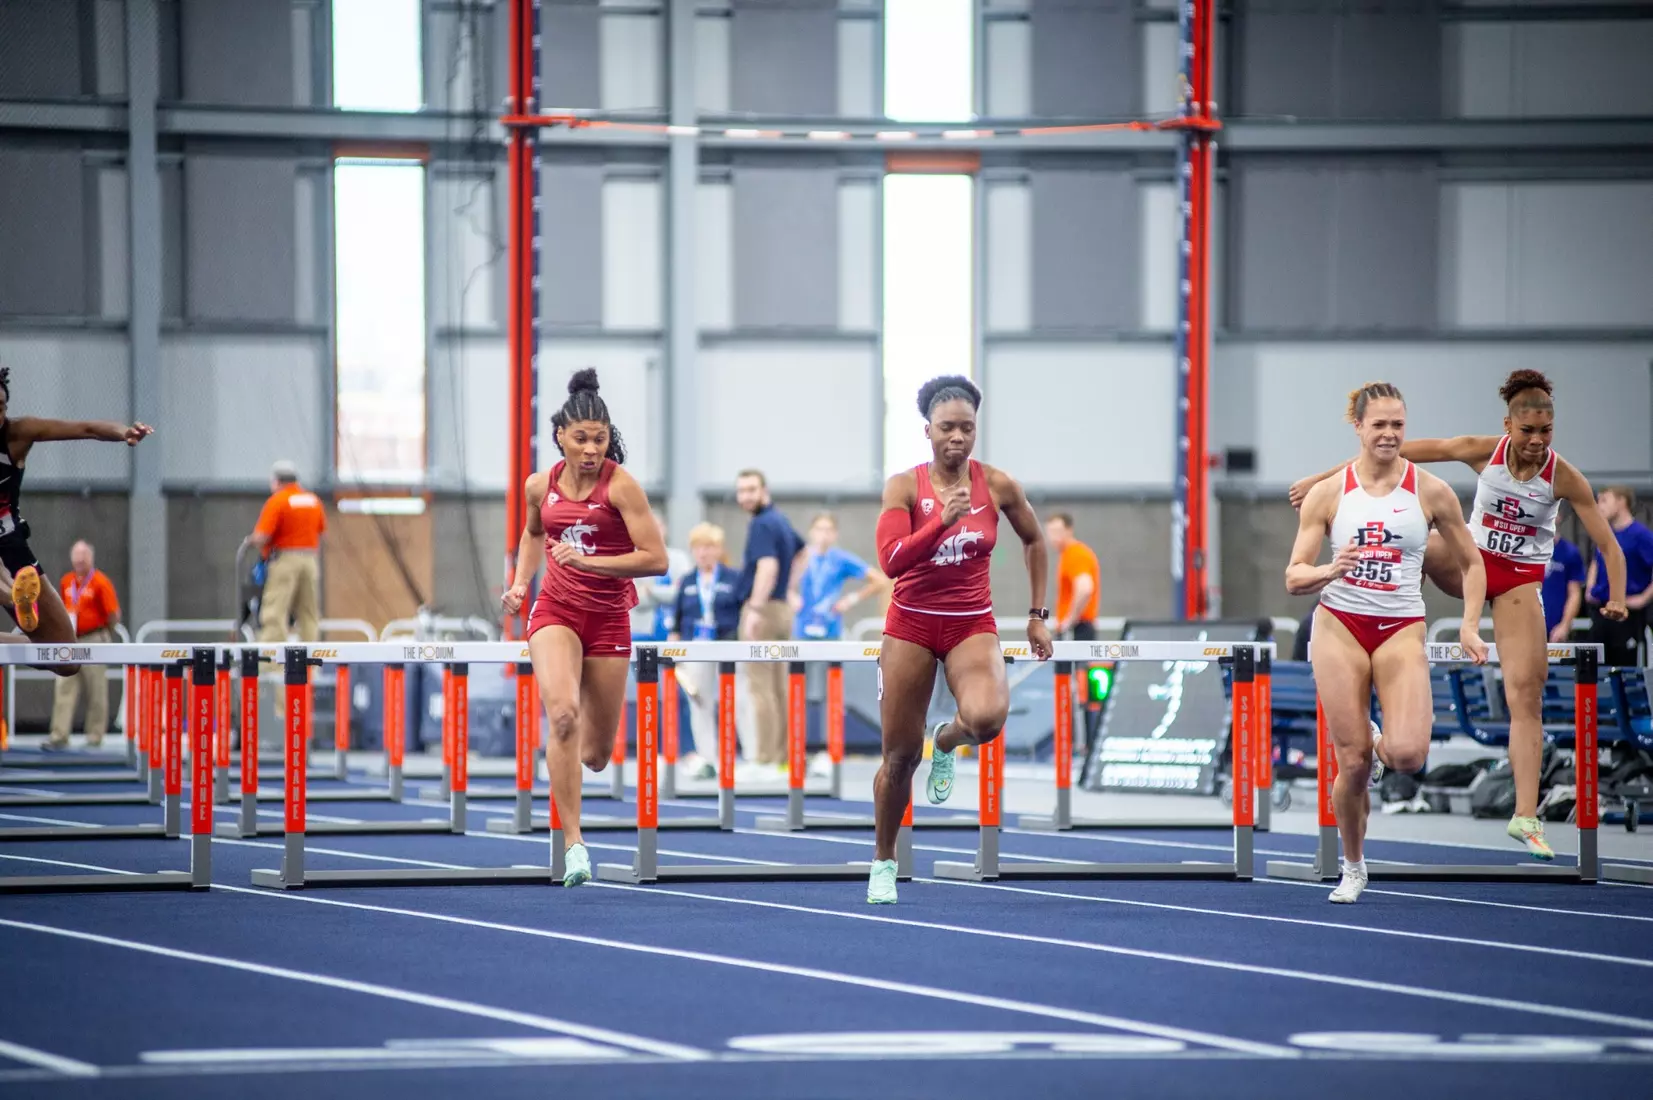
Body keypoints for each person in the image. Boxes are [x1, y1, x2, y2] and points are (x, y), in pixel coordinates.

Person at [1289, 371, 1627, 861]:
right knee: (1409, 538)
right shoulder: (1479, 450)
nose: (1536, 442)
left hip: (1516, 582)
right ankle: (1392, 618)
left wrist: (1615, 595)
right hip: (1464, 558)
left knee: (1525, 692)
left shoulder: (1565, 477)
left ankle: (1526, 815)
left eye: (1546, 432)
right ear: (1507, 425)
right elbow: (1386, 454)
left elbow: (1609, 547)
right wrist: (1322, 479)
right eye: (1527, 431)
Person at [1286, 381, 1487, 904]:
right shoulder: (1331, 492)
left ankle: (1377, 740)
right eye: (1379, 424)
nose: (1390, 434)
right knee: (1350, 765)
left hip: (1400, 626)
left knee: (1406, 755)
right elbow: (1294, 575)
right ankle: (1352, 866)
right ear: (1357, 427)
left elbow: (1472, 563)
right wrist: (1332, 568)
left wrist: (1469, 624)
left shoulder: (1431, 490)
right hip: (1339, 625)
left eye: (1398, 424)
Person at [866, 375, 1053, 905]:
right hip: (911, 625)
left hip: (972, 622)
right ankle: (883, 861)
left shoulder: (995, 484)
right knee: (899, 757)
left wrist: (1038, 615)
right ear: (927, 430)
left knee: (989, 721)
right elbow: (890, 560)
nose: (958, 438)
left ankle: (946, 740)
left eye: (967, 428)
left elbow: (1035, 540)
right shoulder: (905, 486)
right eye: (947, 427)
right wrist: (938, 526)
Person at [502, 369, 667, 887]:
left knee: (595, 754)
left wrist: (591, 563)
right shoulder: (539, 486)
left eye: (599, 439)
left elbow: (656, 559)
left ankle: (576, 783)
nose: (591, 449)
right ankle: (574, 842)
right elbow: (533, 534)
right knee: (564, 715)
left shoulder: (621, 487)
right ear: (560, 437)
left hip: (609, 615)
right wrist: (521, 583)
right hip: (556, 611)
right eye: (581, 439)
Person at [0, 365, 152, 673]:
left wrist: (123, 432)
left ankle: (18, 598)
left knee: (66, 658)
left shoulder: (16, 433)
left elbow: (84, 428)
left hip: (11, 543)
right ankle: (13, 597)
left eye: (2, 407)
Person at [733, 469, 805, 768]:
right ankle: (783, 758)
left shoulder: (762, 523)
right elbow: (803, 553)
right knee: (779, 687)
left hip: (763, 611)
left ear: (765, 490)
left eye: (752, 489)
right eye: (742, 490)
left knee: (760, 688)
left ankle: (764, 759)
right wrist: (789, 590)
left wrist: (755, 609)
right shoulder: (780, 520)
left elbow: (768, 567)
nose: (746, 496)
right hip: (781, 611)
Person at [667, 523, 742, 779]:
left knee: (737, 702)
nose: (704, 553)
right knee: (700, 704)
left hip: (728, 648)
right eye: (698, 547)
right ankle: (707, 758)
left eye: (709, 547)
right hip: (695, 648)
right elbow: (677, 621)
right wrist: (675, 655)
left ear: (719, 550)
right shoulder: (686, 581)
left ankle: (743, 757)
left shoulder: (733, 578)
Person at [47, 541, 122, 749]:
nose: (80, 560)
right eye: (77, 556)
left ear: (91, 558)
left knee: (96, 688)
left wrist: (102, 633)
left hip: (93, 639)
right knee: (64, 686)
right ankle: (59, 734)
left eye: (84, 556)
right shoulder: (66, 581)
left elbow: (113, 613)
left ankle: (94, 735)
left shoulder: (100, 582)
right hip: (71, 639)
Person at [250, 460, 326, 643]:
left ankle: (272, 664)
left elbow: (262, 536)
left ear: (276, 481)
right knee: (308, 613)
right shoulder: (312, 501)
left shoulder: (278, 501)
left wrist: (251, 542)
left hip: (285, 561)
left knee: (275, 611)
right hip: (310, 561)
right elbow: (321, 528)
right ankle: (310, 663)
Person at [1046, 512, 1103, 750]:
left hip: (1079, 630)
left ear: (1069, 530)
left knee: (1079, 690)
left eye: (1058, 531)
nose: (1053, 537)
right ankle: (1075, 744)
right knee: (1071, 688)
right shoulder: (1067, 556)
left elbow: (1085, 588)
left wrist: (1068, 620)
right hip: (1074, 628)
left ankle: (1084, 744)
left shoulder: (1076, 555)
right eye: (1051, 532)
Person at [789, 513, 886, 641]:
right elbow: (777, 579)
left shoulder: (840, 559)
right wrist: (790, 595)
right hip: (802, 629)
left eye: (828, 530)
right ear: (811, 532)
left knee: (832, 659)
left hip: (831, 628)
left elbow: (880, 581)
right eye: (819, 529)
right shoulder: (800, 557)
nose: (823, 534)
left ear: (835, 534)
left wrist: (851, 599)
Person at [1584, 486, 1653, 667]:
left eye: (1605, 500)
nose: (1599, 506)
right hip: (1601, 612)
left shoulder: (1641, 535)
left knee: (1625, 672)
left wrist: (1642, 598)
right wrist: (1590, 588)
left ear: (1622, 501)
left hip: (1627, 615)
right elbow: (1596, 561)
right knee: (1594, 670)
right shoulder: (1605, 535)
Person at [632, 510, 692, 641]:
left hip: (674, 632)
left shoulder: (680, 558)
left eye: (658, 526)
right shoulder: (632, 560)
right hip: (640, 632)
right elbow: (633, 599)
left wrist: (650, 590)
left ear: (665, 529)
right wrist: (666, 593)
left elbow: (682, 594)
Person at [1542, 537, 1586, 643]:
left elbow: (1574, 593)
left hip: (1556, 631)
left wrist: (1564, 626)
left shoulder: (1570, 552)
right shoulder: (1524, 549)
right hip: (1526, 627)